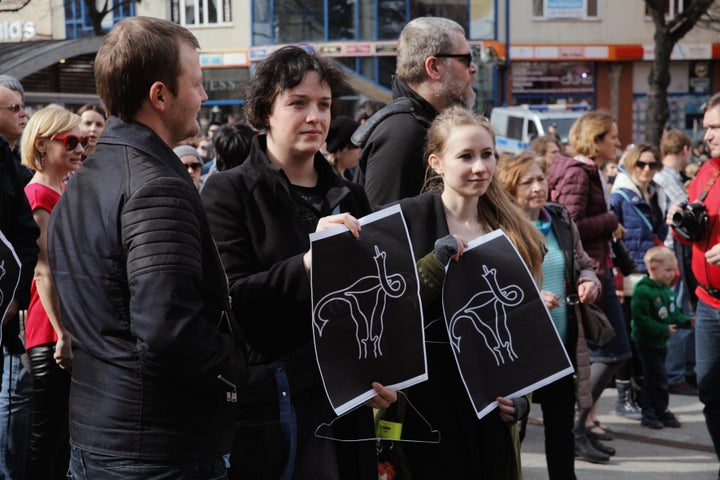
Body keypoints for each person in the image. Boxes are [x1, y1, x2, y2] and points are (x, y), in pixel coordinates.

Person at [47, 16, 247, 479]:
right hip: (154, 448)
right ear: (160, 96)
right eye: (195, 84)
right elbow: (166, 326)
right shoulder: (154, 184)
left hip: (106, 435)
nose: (204, 97)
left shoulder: (88, 178)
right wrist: (235, 366)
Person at [202, 45, 395, 480]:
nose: (316, 117)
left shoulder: (350, 194)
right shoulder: (227, 192)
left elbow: (371, 299)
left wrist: (382, 370)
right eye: (298, 103)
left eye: (324, 105)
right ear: (265, 111)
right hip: (275, 407)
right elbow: (233, 301)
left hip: (346, 401)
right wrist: (309, 261)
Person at [392, 106, 545, 478]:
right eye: (466, 156)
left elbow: (524, 324)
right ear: (437, 163)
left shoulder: (514, 230)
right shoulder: (406, 218)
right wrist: (435, 262)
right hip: (426, 400)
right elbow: (390, 309)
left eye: (487, 154)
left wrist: (522, 399)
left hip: (490, 400)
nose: (480, 167)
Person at [497, 151, 601, 479]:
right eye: (526, 181)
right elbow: (491, 282)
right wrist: (529, 297)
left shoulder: (560, 218)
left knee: (561, 431)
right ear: (509, 188)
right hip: (521, 348)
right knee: (516, 431)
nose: (537, 186)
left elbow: (584, 262)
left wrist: (589, 279)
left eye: (540, 178)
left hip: (563, 345)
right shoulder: (499, 227)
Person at [546, 110, 632, 463]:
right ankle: (575, 428)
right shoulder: (579, 173)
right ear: (596, 141)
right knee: (613, 352)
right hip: (589, 271)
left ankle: (578, 429)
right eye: (612, 136)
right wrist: (612, 220)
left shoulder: (584, 170)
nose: (618, 142)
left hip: (595, 270)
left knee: (609, 353)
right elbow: (569, 222)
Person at [20, 105, 84, 479]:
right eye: (71, 140)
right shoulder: (38, 194)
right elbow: (44, 271)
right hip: (51, 332)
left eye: (83, 141)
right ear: (43, 145)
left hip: (66, 328)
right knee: (47, 437)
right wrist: (62, 334)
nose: (79, 148)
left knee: (60, 436)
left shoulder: (58, 191)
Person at [353, 16, 477, 208]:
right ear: (434, 67)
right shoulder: (403, 134)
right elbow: (385, 229)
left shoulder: (418, 126)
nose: (473, 68)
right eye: (466, 59)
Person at [672, 91, 720, 480]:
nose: (709, 136)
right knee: (709, 391)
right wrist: (681, 223)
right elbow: (694, 236)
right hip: (707, 304)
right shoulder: (706, 172)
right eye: (706, 127)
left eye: (717, 127)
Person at [610, 143, 669, 421]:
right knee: (631, 337)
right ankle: (625, 396)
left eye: (652, 164)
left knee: (648, 337)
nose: (647, 169)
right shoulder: (620, 195)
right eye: (641, 164)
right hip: (630, 274)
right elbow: (613, 238)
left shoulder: (657, 193)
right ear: (631, 164)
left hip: (653, 273)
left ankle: (646, 397)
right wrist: (618, 277)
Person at [0, 75, 39, 480]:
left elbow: (26, 239)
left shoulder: (12, 163)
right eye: (13, 108)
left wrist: (14, 299)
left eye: (22, 105)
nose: (22, 112)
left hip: (10, 305)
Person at [656, 129, 698, 395]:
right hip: (674, 256)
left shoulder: (666, 177)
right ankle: (675, 375)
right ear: (685, 150)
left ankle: (682, 371)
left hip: (672, 255)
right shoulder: (667, 179)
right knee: (679, 314)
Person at [631, 246, 692, 429]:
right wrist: (662, 329)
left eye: (673, 270)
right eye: (668, 270)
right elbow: (640, 319)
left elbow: (674, 315)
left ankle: (659, 410)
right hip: (647, 343)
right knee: (657, 377)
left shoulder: (667, 291)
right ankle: (650, 412)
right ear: (652, 268)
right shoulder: (643, 291)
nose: (671, 274)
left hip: (661, 343)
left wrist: (688, 322)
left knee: (656, 377)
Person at [325, 115, 360, 181]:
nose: (360, 150)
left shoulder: (350, 176)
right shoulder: (327, 179)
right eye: (356, 146)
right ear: (340, 150)